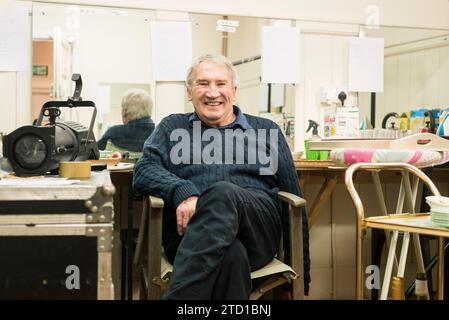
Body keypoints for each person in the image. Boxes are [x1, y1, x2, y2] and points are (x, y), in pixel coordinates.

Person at [133, 54, 310, 299]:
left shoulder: (266, 131)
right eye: (203, 83)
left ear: (234, 91)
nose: (212, 92)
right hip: (191, 235)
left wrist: (302, 273)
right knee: (231, 255)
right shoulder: (172, 127)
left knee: (223, 193)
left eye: (221, 83)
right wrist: (183, 191)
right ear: (189, 92)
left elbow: (294, 198)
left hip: (257, 231)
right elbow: (143, 171)